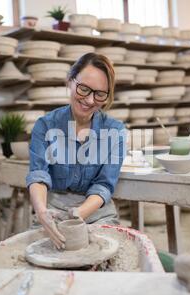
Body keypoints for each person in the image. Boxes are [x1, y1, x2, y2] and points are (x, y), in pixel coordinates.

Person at [26, 53, 127, 249]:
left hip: (97, 211)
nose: (89, 100)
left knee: (104, 259)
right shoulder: (45, 125)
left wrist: (78, 214)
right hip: (53, 208)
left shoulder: (115, 131)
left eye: (99, 94)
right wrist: (41, 211)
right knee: (40, 258)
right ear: (70, 81)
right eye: (83, 89)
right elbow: (38, 175)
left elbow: (104, 185)